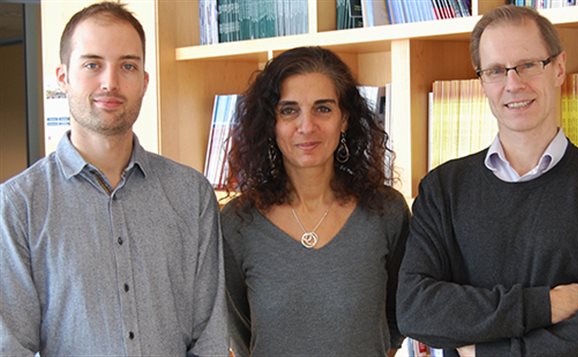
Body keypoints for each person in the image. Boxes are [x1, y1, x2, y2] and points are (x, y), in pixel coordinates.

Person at [397, 5, 578, 357]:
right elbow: (416, 309)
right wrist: (543, 306)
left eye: (527, 65)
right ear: (482, 81)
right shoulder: (442, 190)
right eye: (495, 71)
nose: (513, 84)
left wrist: (484, 352)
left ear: (559, 68)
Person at [0, 2, 228, 355]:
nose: (111, 82)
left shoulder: (191, 194)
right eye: (92, 64)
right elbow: (11, 346)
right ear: (63, 77)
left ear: (144, 80)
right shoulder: (19, 205)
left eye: (128, 66)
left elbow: (210, 337)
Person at [221, 46, 410, 356]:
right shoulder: (238, 222)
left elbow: (395, 319)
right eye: (289, 110)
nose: (306, 126)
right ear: (271, 123)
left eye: (323, 108)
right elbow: (241, 336)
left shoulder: (386, 211)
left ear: (345, 118)